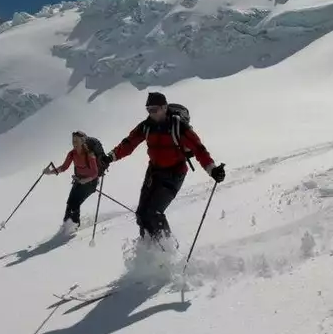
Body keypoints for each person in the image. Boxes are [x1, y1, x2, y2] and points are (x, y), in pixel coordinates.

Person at [103, 92, 225, 243]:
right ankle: (149, 249)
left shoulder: (178, 126)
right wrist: (109, 157)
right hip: (154, 172)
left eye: (154, 109)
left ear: (164, 107)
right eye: (148, 109)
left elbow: (199, 149)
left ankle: (168, 248)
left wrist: (212, 169)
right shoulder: (146, 126)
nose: (151, 113)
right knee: (141, 214)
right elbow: (129, 143)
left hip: (174, 173)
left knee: (154, 212)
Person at [44, 131, 100, 231]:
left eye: (76, 141)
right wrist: (50, 172)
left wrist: (86, 180)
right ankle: (67, 225)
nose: (74, 143)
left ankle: (73, 227)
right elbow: (64, 167)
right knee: (70, 202)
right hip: (79, 181)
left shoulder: (90, 154)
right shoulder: (72, 153)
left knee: (75, 202)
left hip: (90, 183)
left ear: (83, 141)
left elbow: (95, 173)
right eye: (73, 141)